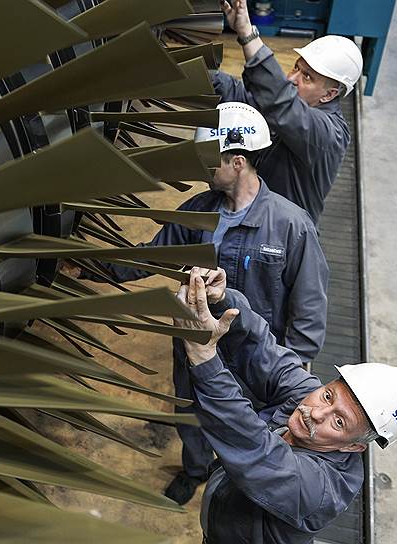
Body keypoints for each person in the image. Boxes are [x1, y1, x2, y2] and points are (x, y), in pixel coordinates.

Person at [66, 101, 329, 504]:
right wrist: (88, 267)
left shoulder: (290, 225)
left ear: (237, 162)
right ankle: (195, 469)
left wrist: (293, 369)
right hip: (195, 344)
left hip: (254, 356)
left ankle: (233, 484)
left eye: (209, 161)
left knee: (245, 424)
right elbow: (153, 257)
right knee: (191, 413)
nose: (201, 168)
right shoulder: (199, 210)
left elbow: (309, 307)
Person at [173, 267, 397, 543]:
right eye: (328, 396)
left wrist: (205, 359)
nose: (316, 413)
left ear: (353, 446)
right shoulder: (309, 395)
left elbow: (256, 450)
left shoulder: (320, 490)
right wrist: (222, 301)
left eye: (339, 422)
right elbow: (263, 353)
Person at [212, 0, 363, 223]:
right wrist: (190, 71)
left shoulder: (329, 135)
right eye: (296, 67)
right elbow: (244, 99)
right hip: (250, 217)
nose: (292, 78)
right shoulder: (293, 107)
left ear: (329, 95)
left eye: (307, 77)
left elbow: (280, 103)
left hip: (282, 235)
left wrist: (247, 34)